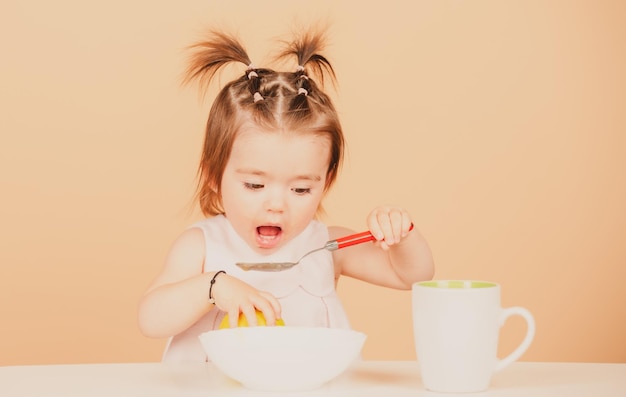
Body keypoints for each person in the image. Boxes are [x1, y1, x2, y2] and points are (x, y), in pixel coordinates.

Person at [138, 28, 435, 362]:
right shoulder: (202, 246)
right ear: (213, 176)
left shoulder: (326, 247)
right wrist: (214, 287)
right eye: (254, 185)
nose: (276, 205)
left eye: (300, 189)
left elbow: (412, 275)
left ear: (327, 179)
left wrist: (402, 234)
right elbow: (151, 319)